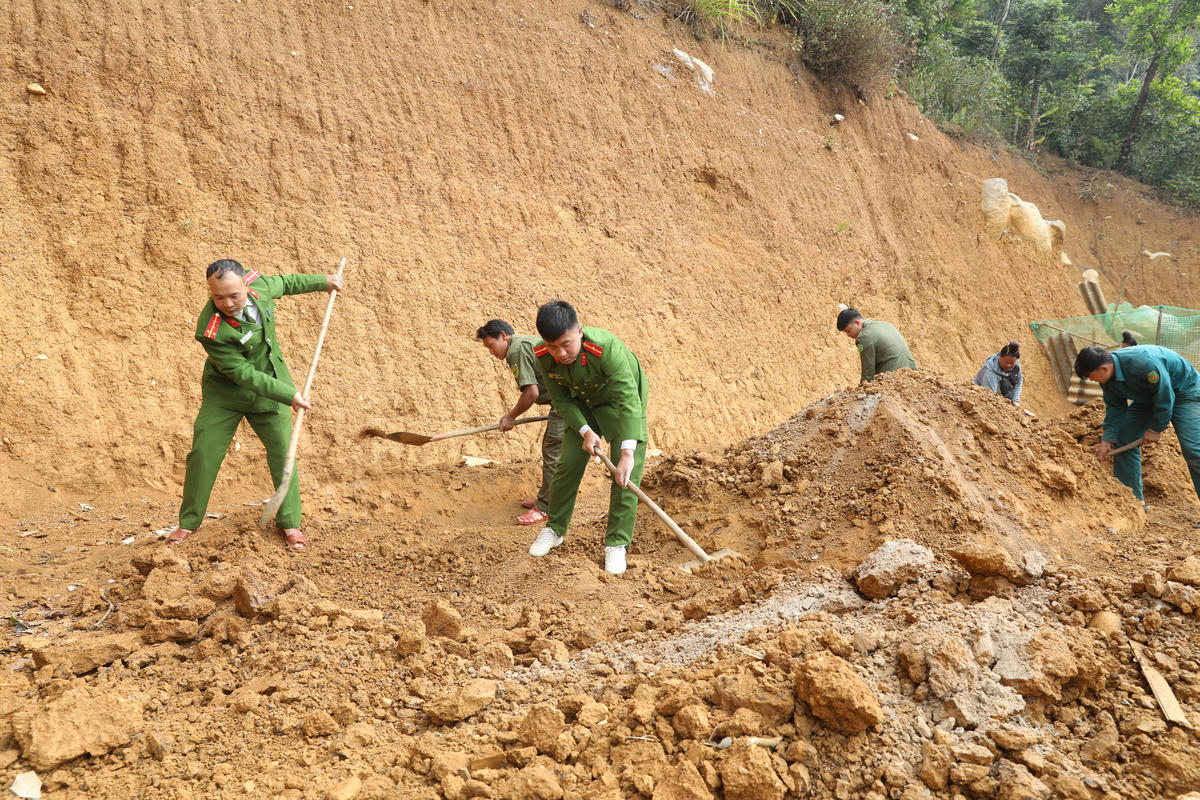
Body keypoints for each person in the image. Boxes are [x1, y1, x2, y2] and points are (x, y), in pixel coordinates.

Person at [167, 259, 344, 549]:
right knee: (203, 454)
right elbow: (243, 374)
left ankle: (290, 524)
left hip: (269, 389)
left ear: (246, 286)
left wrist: (324, 282)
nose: (227, 303)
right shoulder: (210, 330)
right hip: (226, 396)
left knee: (283, 454)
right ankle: (188, 524)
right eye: (218, 296)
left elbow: (286, 283)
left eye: (234, 295)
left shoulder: (261, 285)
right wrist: (290, 395)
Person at [527, 301, 649, 575]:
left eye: (566, 344)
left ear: (579, 331)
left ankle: (616, 544)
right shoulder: (544, 355)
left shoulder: (606, 349)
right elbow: (559, 397)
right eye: (552, 347)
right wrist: (585, 430)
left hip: (621, 405)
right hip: (583, 403)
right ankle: (555, 529)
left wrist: (627, 452)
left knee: (624, 474)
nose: (561, 354)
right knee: (567, 464)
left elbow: (628, 399)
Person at [1075, 344, 1200, 510]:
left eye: (1092, 377)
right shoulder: (1107, 378)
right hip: (1150, 396)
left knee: (1193, 450)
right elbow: (1115, 407)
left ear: (1104, 368)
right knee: (1124, 436)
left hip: (1184, 392)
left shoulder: (1145, 364)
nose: (1092, 381)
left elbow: (1165, 397)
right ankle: (1132, 502)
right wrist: (1107, 439)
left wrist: (1156, 429)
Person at [476, 319, 565, 526]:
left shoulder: (516, 349)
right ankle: (548, 498)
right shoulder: (525, 342)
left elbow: (531, 393)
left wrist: (511, 416)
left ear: (503, 336)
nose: (491, 351)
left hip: (565, 402)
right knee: (557, 451)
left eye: (491, 345)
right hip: (562, 400)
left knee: (552, 450)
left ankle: (545, 507)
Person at [836, 307, 917, 382]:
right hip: (913, 376)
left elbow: (868, 374)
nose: (848, 335)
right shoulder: (885, 324)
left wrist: (860, 393)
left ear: (857, 323)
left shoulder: (864, 337)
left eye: (848, 330)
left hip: (894, 381)